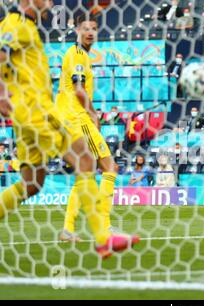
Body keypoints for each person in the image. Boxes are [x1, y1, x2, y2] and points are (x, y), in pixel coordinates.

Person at [0, 1, 138, 259]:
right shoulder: (17, 26)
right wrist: (2, 93)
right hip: (43, 113)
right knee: (88, 161)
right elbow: (1, 53)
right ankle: (103, 236)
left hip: (28, 116)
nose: (51, 3)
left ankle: (77, 230)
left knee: (32, 184)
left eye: (93, 28)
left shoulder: (26, 27)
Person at [55, 14, 123, 244]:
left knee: (86, 173)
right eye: (86, 28)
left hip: (69, 120)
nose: (90, 32)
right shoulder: (76, 55)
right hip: (77, 119)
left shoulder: (81, 55)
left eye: (94, 28)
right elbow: (78, 89)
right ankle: (104, 227)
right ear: (77, 30)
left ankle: (68, 229)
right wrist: (93, 114)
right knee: (110, 167)